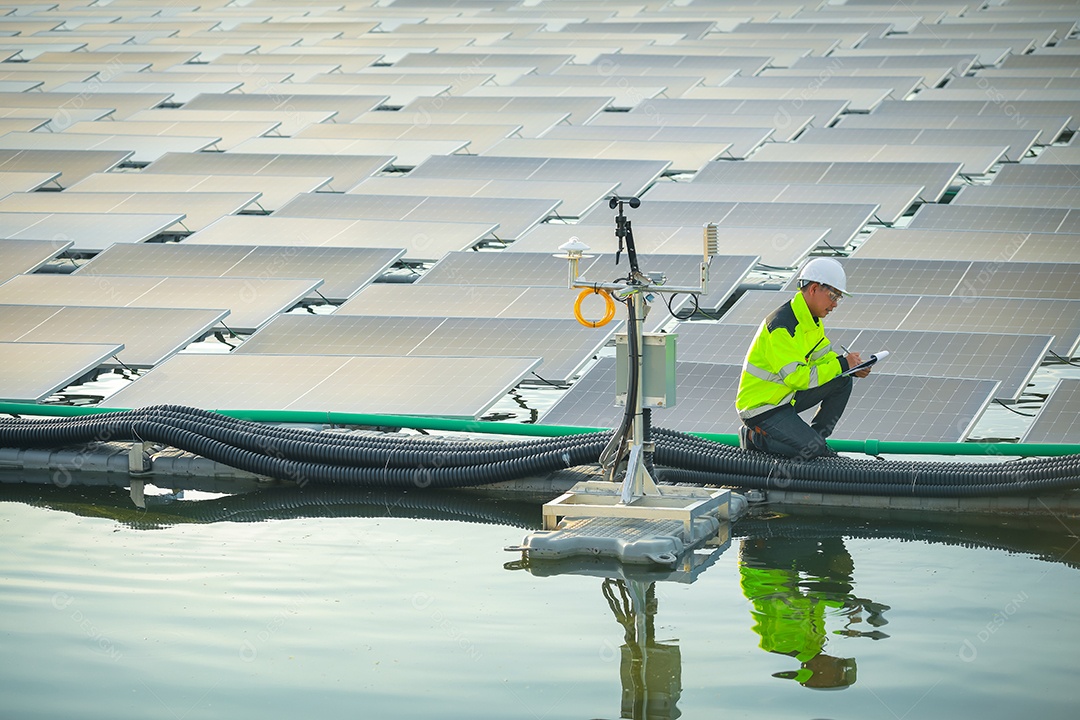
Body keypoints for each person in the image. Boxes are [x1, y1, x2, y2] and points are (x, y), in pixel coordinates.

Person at [735, 257, 871, 459]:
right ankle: (755, 437)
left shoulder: (811, 321)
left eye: (838, 298)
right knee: (812, 450)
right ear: (814, 289)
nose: (835, 304)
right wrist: (842, 363)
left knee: (842, 380)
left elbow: (825, 358)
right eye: (834, 296)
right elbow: (797, 378)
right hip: (762, 408)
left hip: (785, 397)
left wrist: (850, 367)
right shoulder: (782, 326)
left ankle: (817, 442)